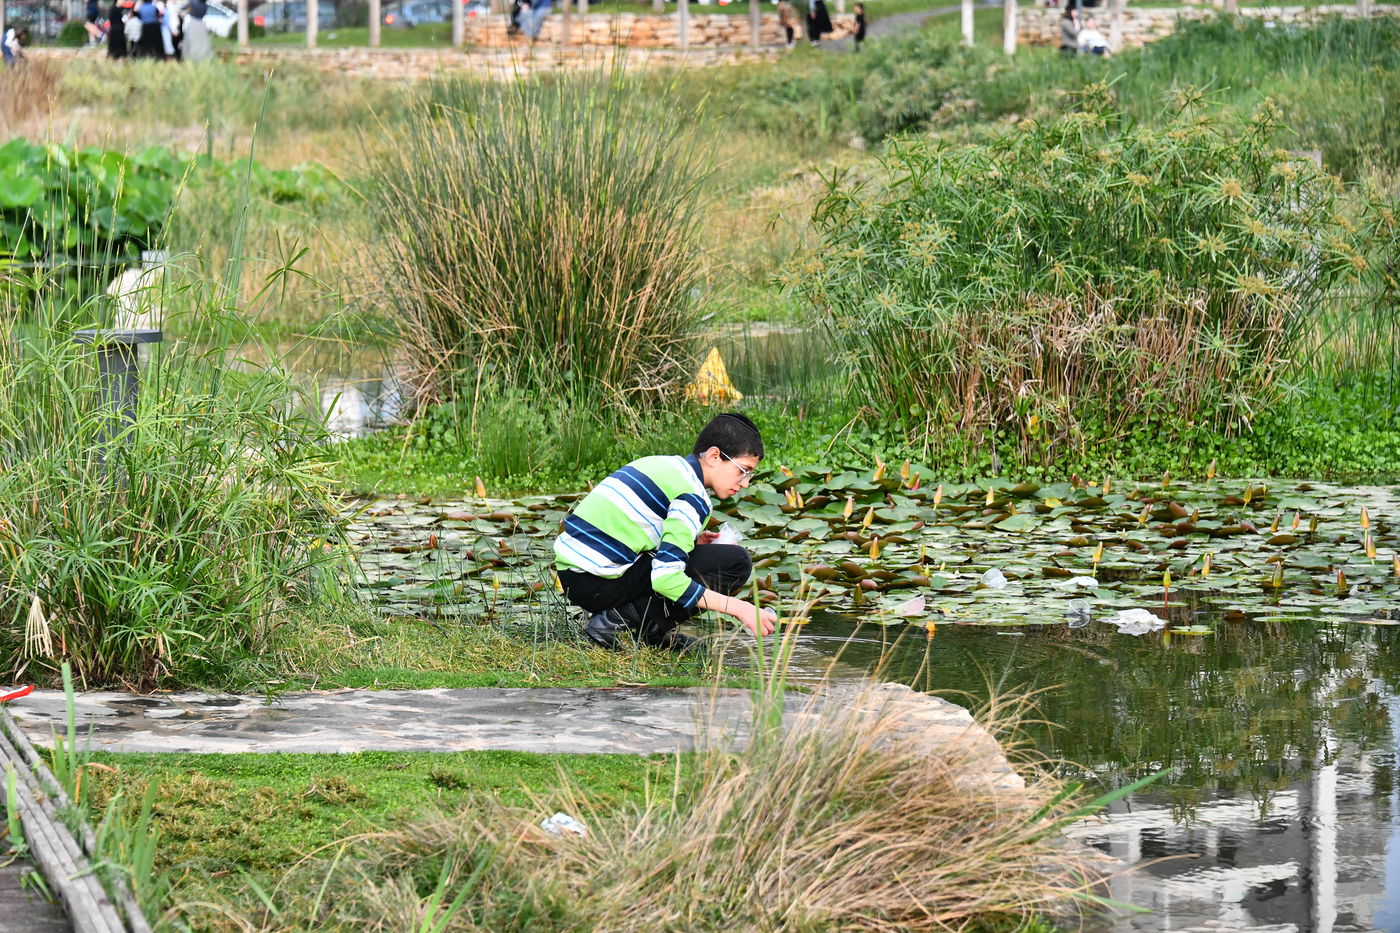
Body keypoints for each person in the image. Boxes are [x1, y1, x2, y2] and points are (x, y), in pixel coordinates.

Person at [554, 412, 778, 652]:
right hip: (599, 583)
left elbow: (634, 526)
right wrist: (740, 608)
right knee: (736, 562)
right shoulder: (693, 497)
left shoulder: (663, 464)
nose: (744, 483)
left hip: (573, 576)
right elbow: (665, 579)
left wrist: (693, 541)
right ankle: (615, 625)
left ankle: (646, 630)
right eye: (743, 470)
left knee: (701, 557)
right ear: (714, 456)